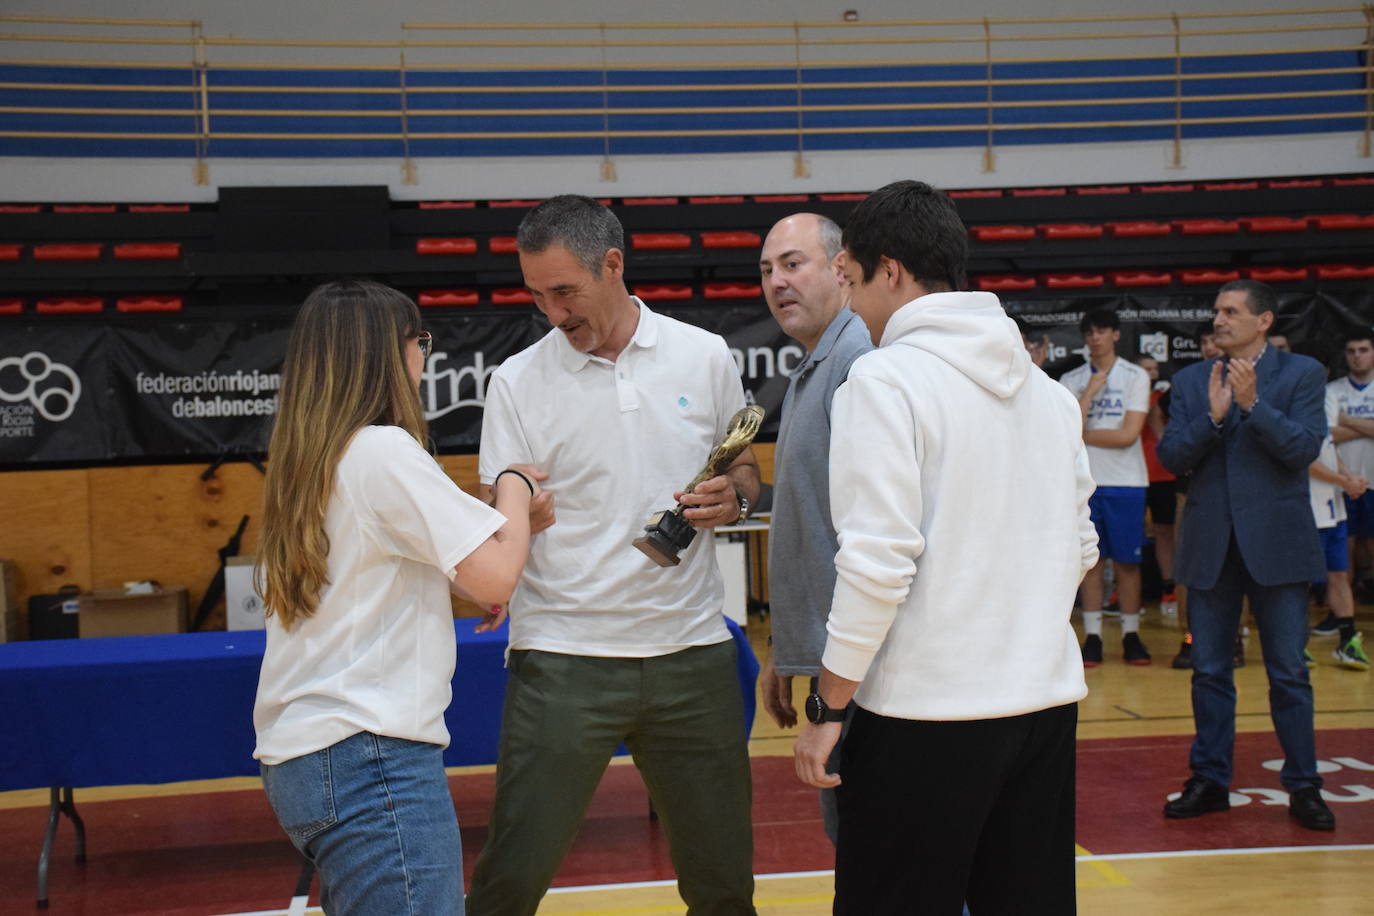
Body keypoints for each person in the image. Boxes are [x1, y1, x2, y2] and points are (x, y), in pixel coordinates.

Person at [793, 180, 1096, 914]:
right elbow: (1081, 544)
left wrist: (827, 706)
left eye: (853, 279)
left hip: (922, 721)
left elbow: (876, 564)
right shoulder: (1050, 394)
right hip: (1044, 708)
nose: (853, 301)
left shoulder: (884, 379)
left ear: (889, 271)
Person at [467, 195, 761, 916]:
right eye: (537, 295)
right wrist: (514, 519)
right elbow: (490, 526)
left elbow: (743, 467)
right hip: (563, 659)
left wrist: (738, 498)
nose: (553, 312)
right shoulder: (516, 382)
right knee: (508, 884)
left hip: (692, 654)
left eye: (564, 291)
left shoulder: (704, 354)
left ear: (613, 265)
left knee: (724, 887)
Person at [253, 279, 536, 915]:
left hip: (315, 757)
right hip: (368, 758)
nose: (425, 356)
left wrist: (488, 552)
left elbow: (407, 568)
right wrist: (514, 482)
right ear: (389, 351)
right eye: (420, 341)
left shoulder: (312, 458)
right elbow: (495, 578)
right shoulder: (381, 449)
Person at [1157, 279, 1335, 831]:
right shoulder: (1190, 380)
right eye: (1216, 310)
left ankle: (1303, 785)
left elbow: (1303, 450)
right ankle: (1210, 781)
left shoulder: (1302, 374)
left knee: (1288, 673)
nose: (1219, 319)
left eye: (1231, 311)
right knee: (1209, 671)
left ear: (1264, 321)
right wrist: (1211, 419)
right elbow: (1170, 457)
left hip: (1277, 544)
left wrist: (1254, 406)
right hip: (1211, 543)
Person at [757, 212, 872, 843]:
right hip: (840, 664)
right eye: (767, 270)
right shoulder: (816, 366)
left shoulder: (859, 363)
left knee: (886, 865)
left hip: (870, 678)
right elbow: (812, 527)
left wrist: (832, 700)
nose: (776, 282)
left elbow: (870, 542)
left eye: (792, 264)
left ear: (840, 267)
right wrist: (787, 645)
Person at [1059, 308, 1152, 665]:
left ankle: (1131, 635)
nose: (1095, 338)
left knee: (1128, 563)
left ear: (1115, 334)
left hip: (1126, 483)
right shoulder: (1073, 379)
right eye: (1089, 333)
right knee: (1090, 564)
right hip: (1085, 483)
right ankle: (1093, 636)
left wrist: (1084, 433)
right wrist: (1090, 393)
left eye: (1101, 331)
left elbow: (1128, 435)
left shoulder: (1135, 376)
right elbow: (1066, 432)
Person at [1308, 385, 1370, 670]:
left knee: (1339, 572)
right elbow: (1304, 459)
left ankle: (1347, 640)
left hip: (1333, 506)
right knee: (1300, 579)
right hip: (1307, 507)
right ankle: (1294, 645)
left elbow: (1329, 448)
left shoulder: (1321, 405)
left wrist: (1348, 477)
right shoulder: (1291, 413)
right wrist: (1343, 481)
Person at [1325, 330, 1374, 656]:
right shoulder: (1332, 390)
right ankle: (1341, 617)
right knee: (1345, 555)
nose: (1357, 356)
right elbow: (1326, 435)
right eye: (1351, 350)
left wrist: (1346, 421)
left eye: (1364, 350)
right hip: (1343, 481)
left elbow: (1337, 428)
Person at [1137, 356, 1179, 619]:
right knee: (1130, 533)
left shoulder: (1164, 398)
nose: (1151, 374)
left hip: (1163, 475)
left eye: (1154, 369)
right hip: (1133, 475)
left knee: (1165, 533)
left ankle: (1169, 587)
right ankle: (1123, 591)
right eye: (1145, 369)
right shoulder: (1127, 397)